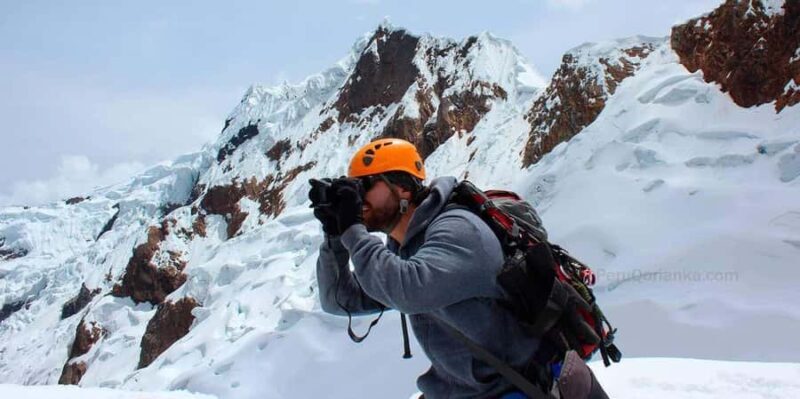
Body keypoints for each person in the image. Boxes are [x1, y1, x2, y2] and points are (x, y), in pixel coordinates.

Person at [310, 138, 605, 398]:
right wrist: (335, 234)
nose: (358, 200)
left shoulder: (458, 231)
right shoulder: (403, 250)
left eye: (364, 186)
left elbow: (408, 289)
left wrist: (351, 227)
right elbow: (339, 299)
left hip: (525, 389)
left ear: (401, 188)